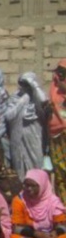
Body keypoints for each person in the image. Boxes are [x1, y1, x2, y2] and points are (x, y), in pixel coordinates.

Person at [10, 169, 66, 238]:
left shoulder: (54, 202)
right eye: (26, 185)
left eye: (33, 186)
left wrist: (54, 234)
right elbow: (16, 228)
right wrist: (37, 234)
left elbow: (63, 225)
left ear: (43, 185)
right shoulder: (19, 200)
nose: (29, 189)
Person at [6, 73, 48, 180]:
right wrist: (22, 101)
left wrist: (34, 86)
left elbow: (44, 101)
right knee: (20, 167)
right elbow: (8, 116)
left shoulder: (37, 98)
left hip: (35, 136)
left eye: (27, 84)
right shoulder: (16, 97)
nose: (25, 86)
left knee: (36, 163)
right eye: (23, 83)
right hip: (18, 138)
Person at [48, 59, 66, 203]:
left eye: (63, 72)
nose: (60, 75)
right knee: (60, 173)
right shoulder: (54, 88)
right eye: (59, 72)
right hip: (56, 137)